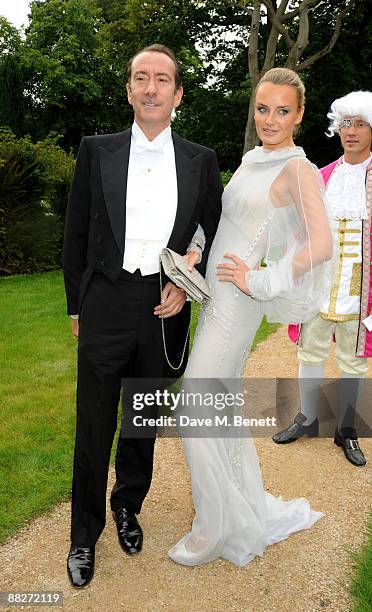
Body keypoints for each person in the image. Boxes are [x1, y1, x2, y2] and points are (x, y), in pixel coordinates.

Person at [63, 44, 222, 587]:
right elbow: (76, 236)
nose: (151, 88)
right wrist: (75, 307)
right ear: (129, 90)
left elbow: (207, 229)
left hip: (163, 305)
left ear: (177, 94)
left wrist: (184, 279)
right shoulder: (95, 150)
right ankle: (83, 535)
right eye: (140, 78)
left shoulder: (201, 160)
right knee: (94, 424)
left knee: (143, 419)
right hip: (105, 302)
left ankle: (127, 506)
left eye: (162, 79)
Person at [167, 67, 333, 567]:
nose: (271, 119)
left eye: (283, 110)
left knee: (196, 401)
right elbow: (227, 222)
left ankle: (215, 526)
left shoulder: (298, 170)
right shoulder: (253, 160)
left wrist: (261, 279)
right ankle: (233, 508)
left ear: (300, 115)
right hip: (214, 295)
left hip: (239, 301)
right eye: (263, 108)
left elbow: (321, 245)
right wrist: (197, 252)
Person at [273, 91, 372, 467]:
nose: (351, 131)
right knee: (310, 351)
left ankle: (345, 429)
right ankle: (307, 417)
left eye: (360, 123)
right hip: (321, 282)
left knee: (353, 359)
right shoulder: (323, 176)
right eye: (346, 123)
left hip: (360, 288)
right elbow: (301, 230)